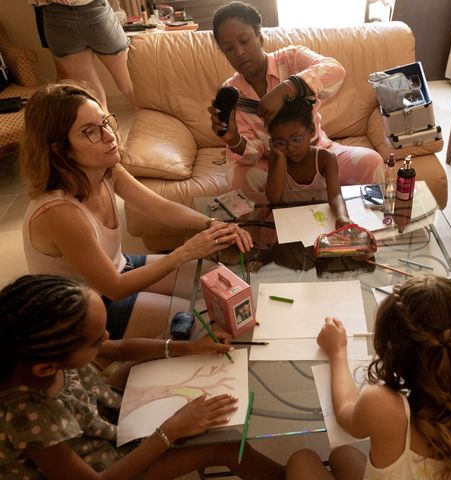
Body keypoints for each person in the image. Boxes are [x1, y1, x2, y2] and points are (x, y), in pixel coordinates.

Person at [20, 83, 253, 341]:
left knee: (218, 280)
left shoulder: (105, 168)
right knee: (200, 321)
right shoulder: (59, 211)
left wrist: (210, 224)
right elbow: (115, 288)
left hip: (120, 268)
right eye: (89, 132)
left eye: (105, 122)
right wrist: (186, 251)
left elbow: (159, 207)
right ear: (60, 149)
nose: (109, 136)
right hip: (85, 308)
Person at [0, 274, 285, 480]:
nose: (107, 339)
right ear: (46, 368)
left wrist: (189, 347)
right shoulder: (31, 417)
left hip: (100, 416)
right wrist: (169, 430)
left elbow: (122, 348)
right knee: (227, 445)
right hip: (108, 466)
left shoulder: (44, 356)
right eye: (97, 342)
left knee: (156, 355)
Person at [286, 275, 451, 480]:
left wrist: (338, 352)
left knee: (301, 460)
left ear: (392, 352)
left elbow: (345, 414)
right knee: (342, 456)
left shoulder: (384, 407)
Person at [208, 1, 384, 193]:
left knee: (371, 162)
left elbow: (335, 70)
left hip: (316, 154)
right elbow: (252, 155)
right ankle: (264, 224)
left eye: (244, 41)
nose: (239, 53)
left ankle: (366, 222)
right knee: (240, 176)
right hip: (271, 163)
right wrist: (234, 138)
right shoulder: (232, 93)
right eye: (229, 49)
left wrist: (289, 87)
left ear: (260, 38)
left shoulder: (293, 58)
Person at [28, 0, 136, 110]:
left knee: (95, 101)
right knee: (133, 88)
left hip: (58, 19)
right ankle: (151, 126)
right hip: (95, 13)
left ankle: (105, 126)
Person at [266, 96, 350, 228]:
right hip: (290, 223)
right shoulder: (276, 159)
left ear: (311, 131)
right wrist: (281, 160)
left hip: (321, 221)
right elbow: (274, 199)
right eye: (280, 142)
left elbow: (336, 196)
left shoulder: (326, 158)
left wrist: (342, 216)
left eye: (296, 139)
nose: (290, 148)